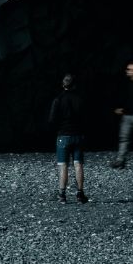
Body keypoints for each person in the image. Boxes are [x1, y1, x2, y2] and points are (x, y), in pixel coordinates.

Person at [49, 74, 87, 203]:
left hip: (63, 136)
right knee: (78, 164)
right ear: (75, 85)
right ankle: (80, 194)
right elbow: (86, 117)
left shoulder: (58, 99)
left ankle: (62, 195)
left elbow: (52, 119)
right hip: (78, 135)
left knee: (63, 166)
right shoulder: (80, 99)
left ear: (63, 85)